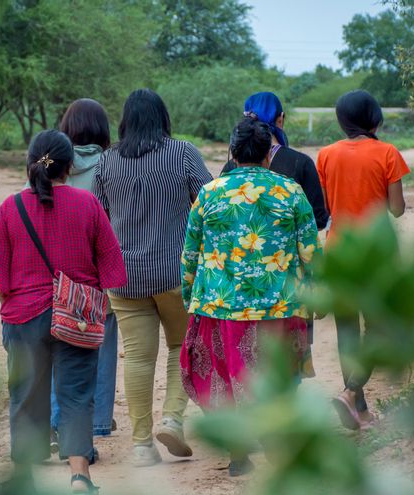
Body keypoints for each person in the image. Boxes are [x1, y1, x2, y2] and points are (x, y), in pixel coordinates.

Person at [0, 130, 127, 494]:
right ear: (70, 166)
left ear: (31, 163)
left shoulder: (9, 208)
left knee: (25, 394)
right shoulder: (87, 204)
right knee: (76, 395)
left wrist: (16, 316)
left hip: (23, 316)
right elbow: (112, 272)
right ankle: (80, 476)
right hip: (75, 318)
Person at [180, 117, 320, 476]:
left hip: (222, 305)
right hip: (280, 304)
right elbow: (310, 252)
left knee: (227, 376)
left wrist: (189, 297)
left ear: (232, 152)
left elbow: (190, 253)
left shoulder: (209, 193)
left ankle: (239, 452)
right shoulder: (290, 191)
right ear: (268, 155)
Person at [93, 89, 213, 467]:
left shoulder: (107, 161)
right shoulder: (182, 153)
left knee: (139, 358)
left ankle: (142, 445)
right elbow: (210, 202)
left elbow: (98, 215)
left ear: (125, 120)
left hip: (125, 278)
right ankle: (172, 420)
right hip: (176, 273)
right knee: (182, 346)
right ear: (163, 118)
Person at [316, 89, 409, 430]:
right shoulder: (387, 153)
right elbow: (397, 210)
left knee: (347, 333)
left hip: (339, 250)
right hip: (376, 253)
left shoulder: (325, 155)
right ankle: (350, 392)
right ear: (374, 117)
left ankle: (359, 409)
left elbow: (328, 206)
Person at [221, 91, 329, 378]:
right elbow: (318, 220)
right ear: (280, 119)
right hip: (288, 284)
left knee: (247, 362)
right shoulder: (300, 164)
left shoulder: (230, 168)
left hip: (239, 284)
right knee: (287, 363)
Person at [45, 99, 118, 454]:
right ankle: (92, 427)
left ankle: (54, 423)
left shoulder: (51, 161)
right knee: (95, 351)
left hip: (49, 275)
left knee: (57, 350)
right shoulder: (111, 163)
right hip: (90, 276)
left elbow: (33, 189)